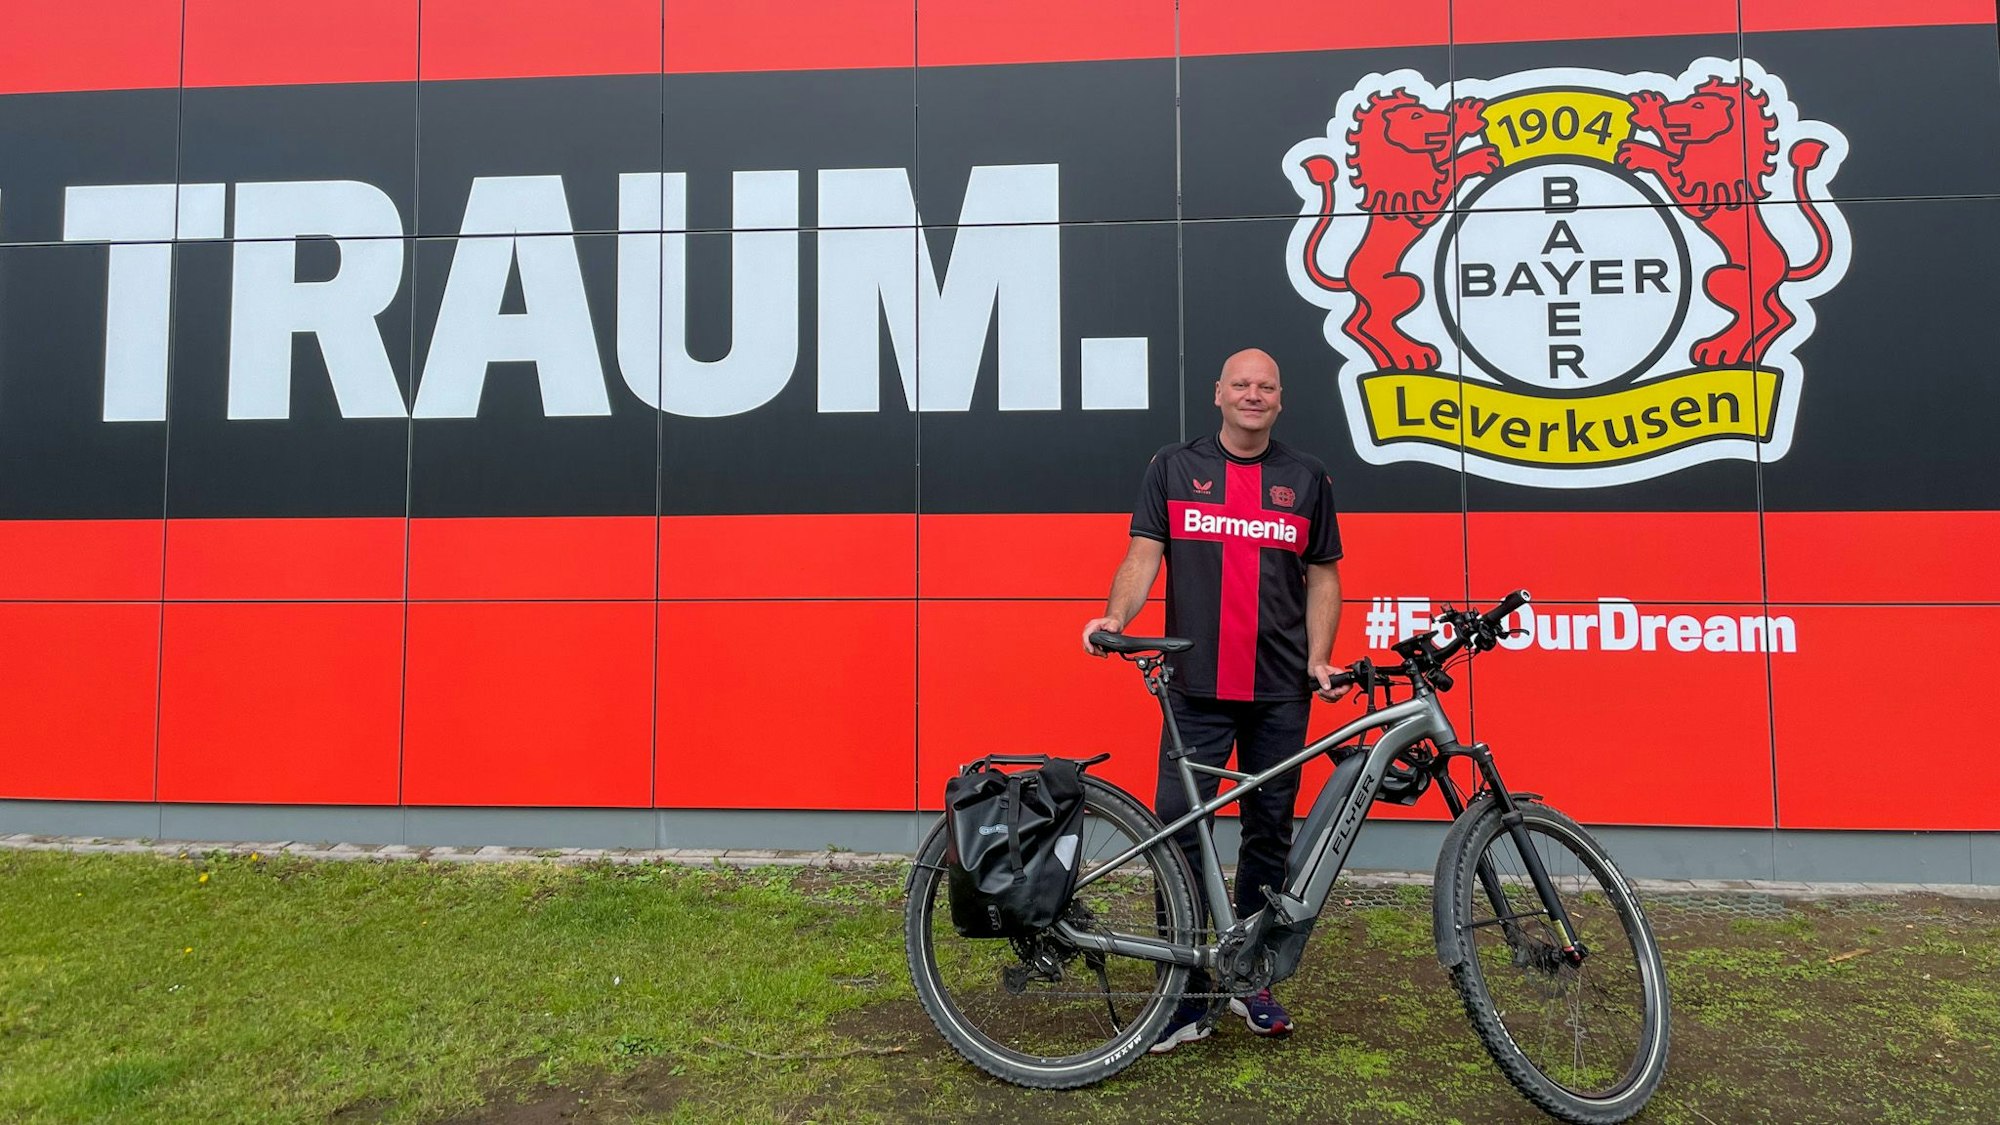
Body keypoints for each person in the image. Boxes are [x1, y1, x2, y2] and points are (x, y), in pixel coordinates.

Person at [1081, 348, 1348, 1054]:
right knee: (1176, 829)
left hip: (1282, 690)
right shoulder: (1173, 466)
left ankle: (1249, 976)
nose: (1253, 395)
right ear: (1218, 394)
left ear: (1280, 399)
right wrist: (1117, 616)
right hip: (1195, 689)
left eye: (1266, 385)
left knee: (1269, 832)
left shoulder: (1307, 476)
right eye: (1241, 384)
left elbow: (1324, 577)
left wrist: (1319, 656)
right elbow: (1143, 554)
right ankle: (1186, 991)